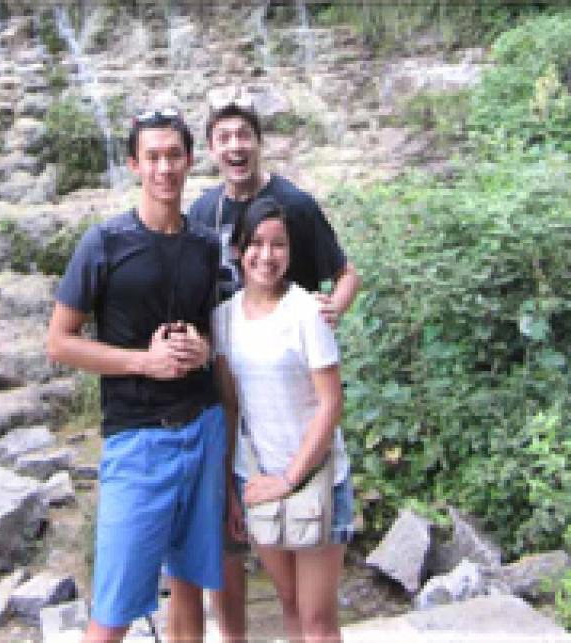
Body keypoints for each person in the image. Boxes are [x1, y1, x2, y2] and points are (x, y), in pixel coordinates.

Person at [181, 89, 360, 641]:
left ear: (259, 143)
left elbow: (346, 274)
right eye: (224, 137)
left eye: (244, 135)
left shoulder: (296, 208)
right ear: (210, 149)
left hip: (300, 399)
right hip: (250, 446)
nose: (235, 145)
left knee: (316, 617)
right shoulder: (204, 214)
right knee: (284, 602)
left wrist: (331, 307)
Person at [47, 108, 226, 643]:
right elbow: (59, 343)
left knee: (191, 586)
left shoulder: (204, 244)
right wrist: (141, 362)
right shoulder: (103, 243)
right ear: (133, 165)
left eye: (174, 156)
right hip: (137, 439)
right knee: (114, 609)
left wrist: (203, 350)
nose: (164, 168)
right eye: (153, 157)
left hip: (203, 426)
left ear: (190, 162)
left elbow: (214, 333)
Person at [214, 196, 349, 642]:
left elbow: (331, 404)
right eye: (256, 244)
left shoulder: (307, 312)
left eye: (279, 245)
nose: (267, 256)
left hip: (314, 477)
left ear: (290, 253)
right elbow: (232, 407)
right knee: (289, 604)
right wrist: (232, 492)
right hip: (256, 479)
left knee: (317, 620)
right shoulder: (224, 319)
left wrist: (290, 478)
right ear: (238, 250)